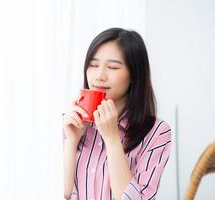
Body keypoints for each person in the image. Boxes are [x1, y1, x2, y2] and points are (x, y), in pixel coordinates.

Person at [62, 28, 171, 200]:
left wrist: (112, 139)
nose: (99, 76)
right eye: (93, 65)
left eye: (112, 67)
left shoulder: (157, 132)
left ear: (134, 74)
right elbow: (64, 194)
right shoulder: (72, 124)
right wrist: (71, 142)